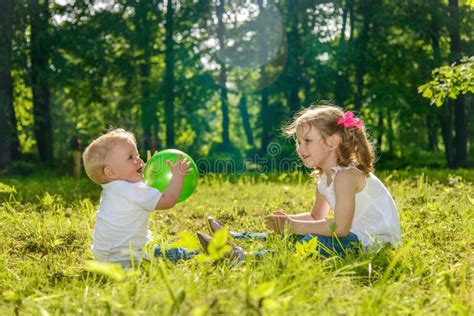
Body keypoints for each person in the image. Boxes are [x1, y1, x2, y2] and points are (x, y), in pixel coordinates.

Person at [198, 104, 401, 258]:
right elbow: (315, 216)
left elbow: (340, 228)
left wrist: (293, 225)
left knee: (311, 241)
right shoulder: (324, 176)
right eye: (298, 141)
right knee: (298, 234)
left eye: (307, 141)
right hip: (352, 236)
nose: (299, 148)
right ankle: (235, 235)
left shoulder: (346, 176)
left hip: (372, 243)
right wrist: (287, 222)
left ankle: (244, 257)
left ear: (332, 142)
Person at [82, 128, 198, 268]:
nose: (139, 160)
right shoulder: (133, 190)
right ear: (111, 172)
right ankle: (197, 253)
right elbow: (167, 200)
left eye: (137, 155)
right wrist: (178, 176)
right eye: (130, 157)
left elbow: (141, 189)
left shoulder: (112, 190)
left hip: (105, 257)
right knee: (171, 254)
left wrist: (150, 173)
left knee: (152, 249)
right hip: (127, 259)